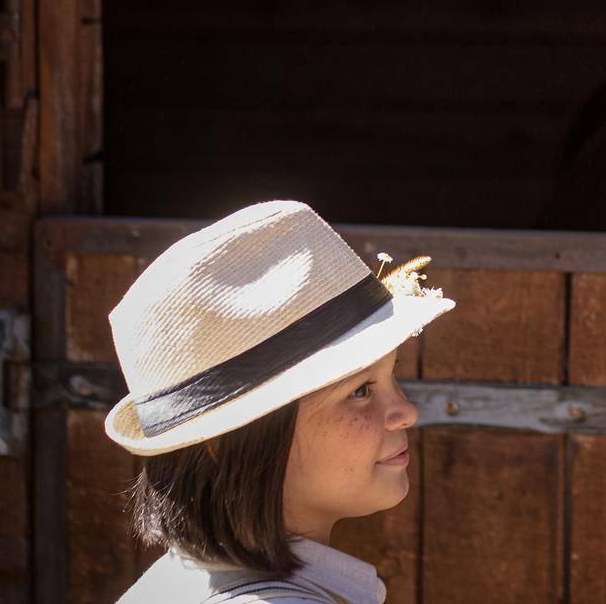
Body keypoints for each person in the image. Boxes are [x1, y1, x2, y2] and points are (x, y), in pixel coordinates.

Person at [104, 199, 456, 604]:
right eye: (359, 391)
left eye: (391, 377)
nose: (406, 413)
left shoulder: (174, 583)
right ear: (227, 439)